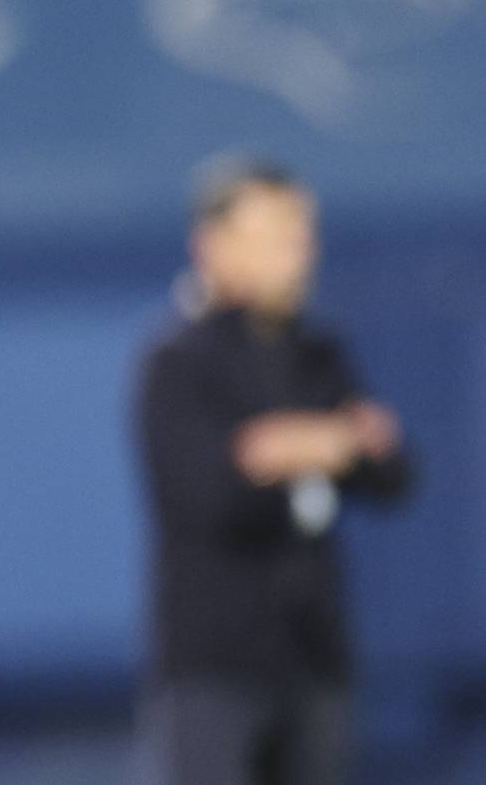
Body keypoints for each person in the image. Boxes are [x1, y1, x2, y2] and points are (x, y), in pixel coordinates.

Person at [134, 159, 413, 785]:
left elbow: (390, 470)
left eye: (301, 236)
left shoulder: (318, 354)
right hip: (215, 668)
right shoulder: (177, 363)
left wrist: (292, 447)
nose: (297, 255)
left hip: (314, 657)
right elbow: (212, 495)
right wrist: (322, 443)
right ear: (214, 245)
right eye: (275, 237)